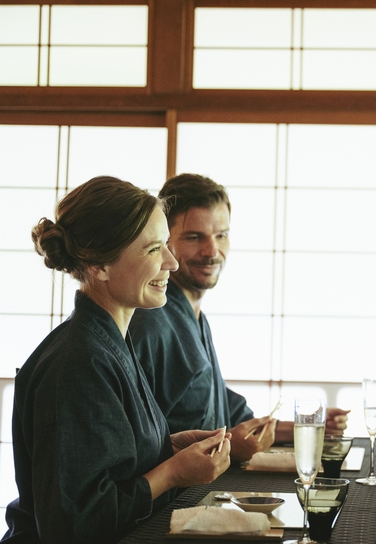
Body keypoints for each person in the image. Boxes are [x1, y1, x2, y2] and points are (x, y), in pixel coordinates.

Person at [3, 176, 231, 544]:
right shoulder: (79, 362)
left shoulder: (109, 341)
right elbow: (76, 523)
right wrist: (172, 472)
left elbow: (110, 464)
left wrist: (168, 447)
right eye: (154, 249)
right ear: (100, 266)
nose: (171, 263)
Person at [129, 173, 349, 463]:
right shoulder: (152, 322)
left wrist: (296, 427)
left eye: (221, 235)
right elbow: (138, 441)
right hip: (176, 494)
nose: (212, 251)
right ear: (164, 241)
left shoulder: (193, 315)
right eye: (194, 237)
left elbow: (216, 405)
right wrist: (231, 449)